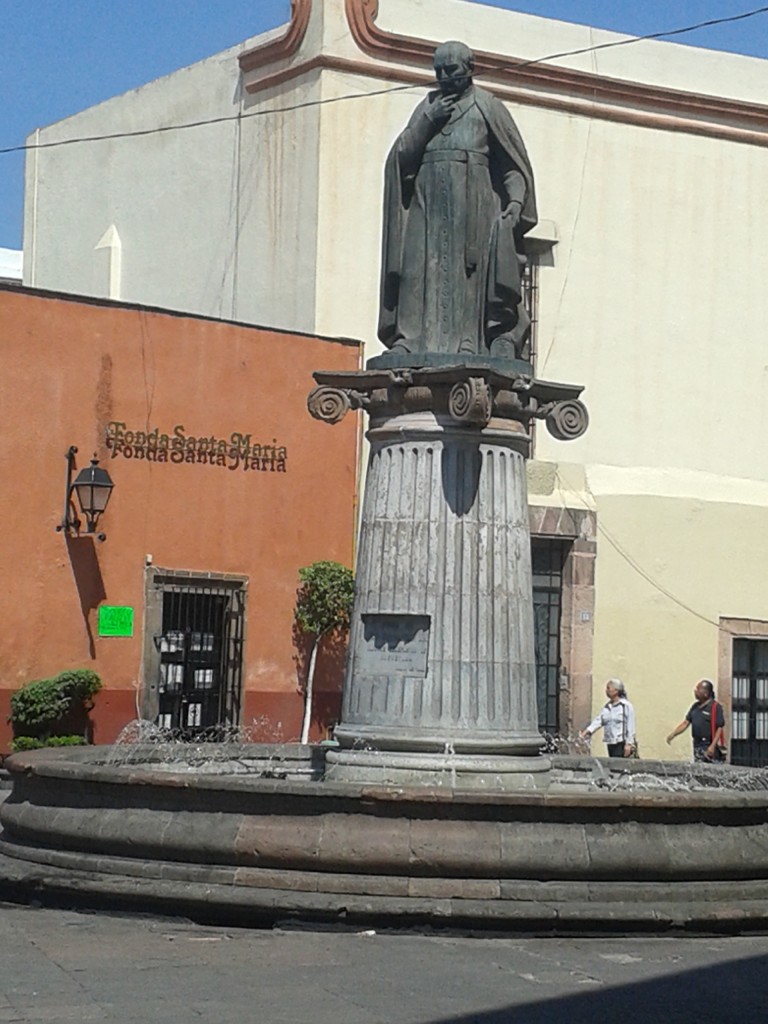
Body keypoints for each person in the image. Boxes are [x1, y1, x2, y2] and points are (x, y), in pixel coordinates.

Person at [378, 40, 537, 360]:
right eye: (438, 71)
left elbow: (511, 167)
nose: (443, 77)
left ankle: (473, 341)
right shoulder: (427, 107)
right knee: (416, 268)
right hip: (428, 203)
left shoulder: (487, 106)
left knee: (470, 274)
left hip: (474, 205)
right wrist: (428, 122)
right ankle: (409, 338)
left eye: (450, 70)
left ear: (470, 68)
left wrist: (516, 203)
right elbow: (402, 156)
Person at [666, 679, 726, 762]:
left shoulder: (715, 707)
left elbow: (719, 727)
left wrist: (712, 746)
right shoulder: (695, 707)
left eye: (698, 689)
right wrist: (673, 734)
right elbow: (686, 723)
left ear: (706, 693)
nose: (695, 691)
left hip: (708, 745)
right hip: (697, 744)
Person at [579, 679, 637, 758]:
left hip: (621, 743)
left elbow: (630, 725)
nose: (606, 690)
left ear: (616, 691)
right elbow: (599, 720)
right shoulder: (607, 707)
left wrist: (629, 743)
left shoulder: (625, 706)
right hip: (610, 742)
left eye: (608, 688)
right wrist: (587, 731)